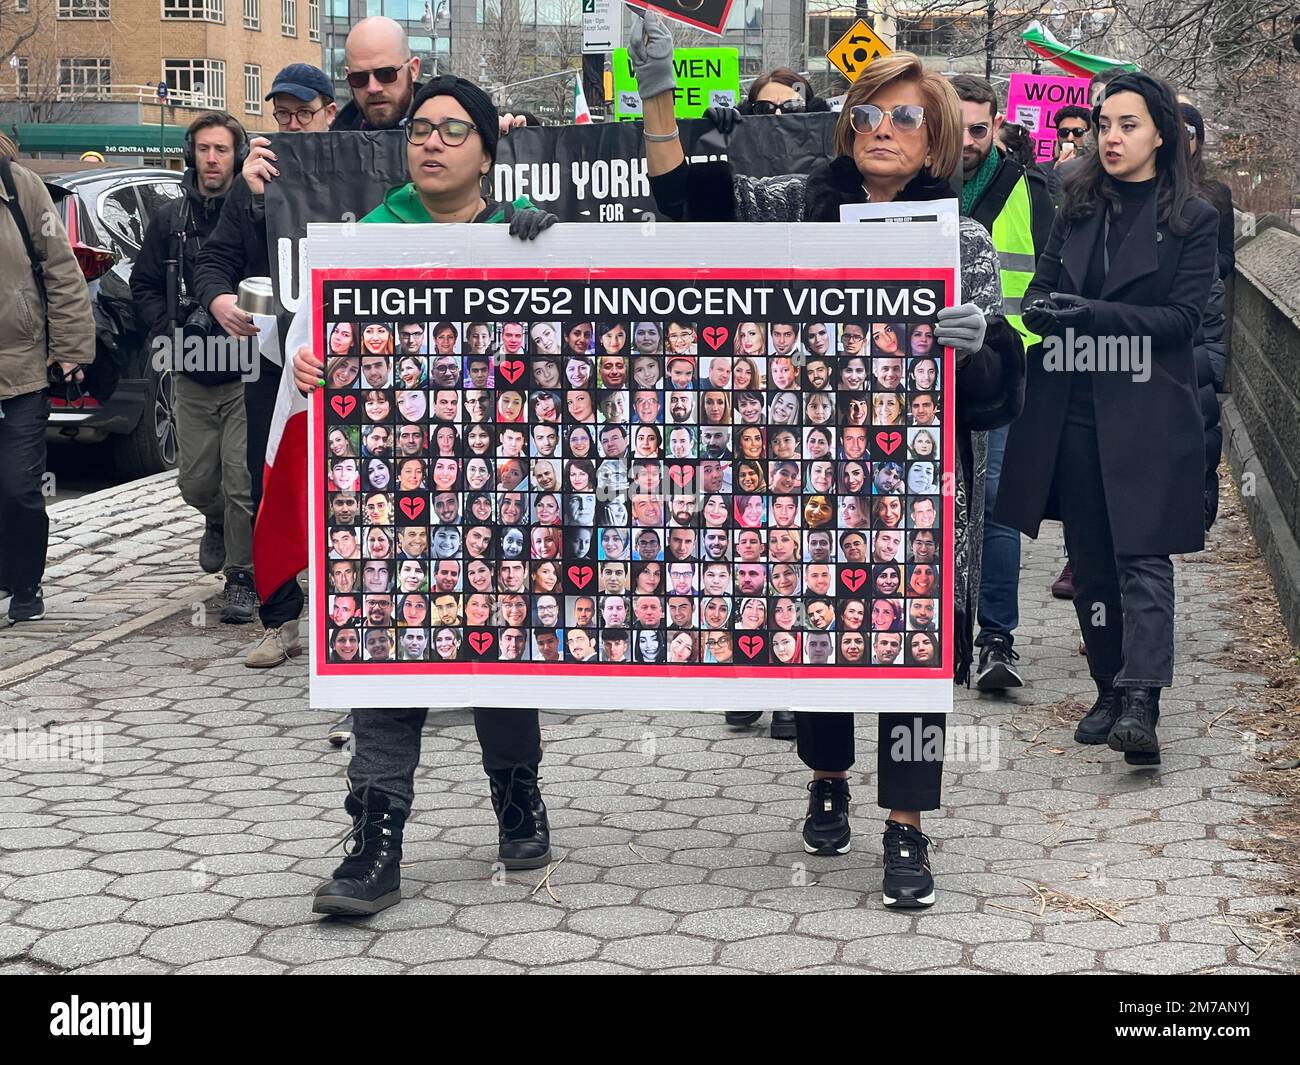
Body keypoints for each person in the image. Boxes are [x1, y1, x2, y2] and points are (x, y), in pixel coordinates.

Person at [633, 12, 1024, 909]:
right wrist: (659, 96)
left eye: (904, 118)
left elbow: (1002, 395)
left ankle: (908, 828)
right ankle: (826, 774)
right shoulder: (798, 207)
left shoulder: (959, 241)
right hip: (810, 484)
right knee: (818, 641)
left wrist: (982, 349)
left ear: (939, 141)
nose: (880, 130)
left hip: (918, 494)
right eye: (866, 116)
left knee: (915, 663)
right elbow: (689, 209)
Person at [292, 74, 559, 917]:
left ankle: (519, 799)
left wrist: (548, 257)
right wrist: (310, 369)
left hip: (501, 492)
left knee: (501, 657)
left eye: (451, 129)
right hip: (396, 494)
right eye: (420, 131)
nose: (432, 143)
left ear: (488, 148)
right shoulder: (366, 242)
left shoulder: (524, 239)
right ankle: (376, 840)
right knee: (386, 655)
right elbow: (317, 351)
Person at [996, 71, 1219, 770]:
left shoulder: (1193, 215)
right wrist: (1041, 309)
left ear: (1161, 132)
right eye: (1104, 124)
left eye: (1127, 124)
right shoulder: (1076, 198)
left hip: (1149, 406)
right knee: (1091, 563)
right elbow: (1042, 285)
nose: (1111, 137)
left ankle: (1143, 700)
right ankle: (1108, 689)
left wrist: (1092, 315)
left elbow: (1182, 321)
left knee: (1142, 557)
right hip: (1073, 404)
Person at [195, 62, 338, 668]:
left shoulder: (367, 162)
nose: (293, 125)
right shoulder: (254, 182)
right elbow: (213, 263)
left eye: (304, 113)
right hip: (276, 358)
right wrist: (221, 299)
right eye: (282, 115)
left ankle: (356, 613)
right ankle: (280, 618)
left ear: (331, 113)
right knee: (264, 475)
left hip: (351, 357)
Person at [950, 74, 1055, 695]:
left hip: (998, 372)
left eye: (979, 129)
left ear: (997, 130)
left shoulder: (1027, 188)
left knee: (993, 509)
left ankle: (995, 639)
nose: (966, 139)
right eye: (955, 124)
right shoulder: (914, 185)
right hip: (908, 374)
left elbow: (1048, 272)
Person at [131, 111, 257, 626]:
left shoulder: (256, 210)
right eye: (203, 148)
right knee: (196, 483)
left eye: (222, 149)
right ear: (191, 154)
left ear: (237, 155)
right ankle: (215, 521)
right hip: (191, 368)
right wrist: (169, 333)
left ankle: (242, 578)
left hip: (247, 370)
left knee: (241, 482)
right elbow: (141, 286)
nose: (211, 158)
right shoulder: (170, 219)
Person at [0, 135, 95, 623]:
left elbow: (61, 268)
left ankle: (24, 582)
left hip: (20, 370)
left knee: (18, 487)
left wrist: (71, 350)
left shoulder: (19, 187)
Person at [333, 15, 422, 131]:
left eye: (386, 74)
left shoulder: (446, 140)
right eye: (359, 78)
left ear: (413, 70)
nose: (373, 88)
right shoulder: (335, 144)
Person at [1181, 103, 1235, 280]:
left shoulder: (1216, 194)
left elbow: (1227, 255)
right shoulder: (1146, 185)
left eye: (1185, 133)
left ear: (1198, 139)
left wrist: (1200, 268)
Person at [1039, 104, 1091, 202]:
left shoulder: (1096, 170)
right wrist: (1057, 174)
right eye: (1064, 132)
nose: (1070, 138)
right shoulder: (1041, 170)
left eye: (1078, 132)